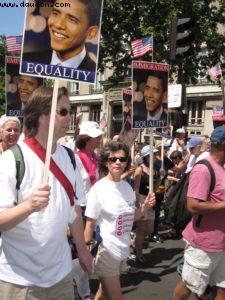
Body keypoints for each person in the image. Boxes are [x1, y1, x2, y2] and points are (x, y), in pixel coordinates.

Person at [0, 86, 92, 300]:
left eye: (70, 111)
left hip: (60, 275)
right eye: (63, 112)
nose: (71, 117)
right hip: (19, 280)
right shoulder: (11, 160)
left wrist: (82, 249)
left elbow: (74, 208)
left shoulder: (71, 158)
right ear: (42, 116)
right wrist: (29, 205)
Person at [84, 142, 155, 300]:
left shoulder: (127, 187)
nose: (117, 162)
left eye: (122, 159)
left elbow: (131, 218)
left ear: (126, 163)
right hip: (107, 252)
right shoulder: (99, 189)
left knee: (103, 294)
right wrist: (85, 254)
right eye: (112, 159)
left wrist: (145, 207)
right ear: (105, 162)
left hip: (123, 251)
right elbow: (90, 224)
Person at [173, 125, 225, 300]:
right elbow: (193, 206)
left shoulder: (221, 168)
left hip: (222, 242)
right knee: (189, 284)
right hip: (204, 244)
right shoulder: (204, 168)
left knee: (222, 289)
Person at [23, 0, 101, 71]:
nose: (58, 24)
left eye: (72, 20)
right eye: (55, 14)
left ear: (91, 33)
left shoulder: (93, 71)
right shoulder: (26, 61)